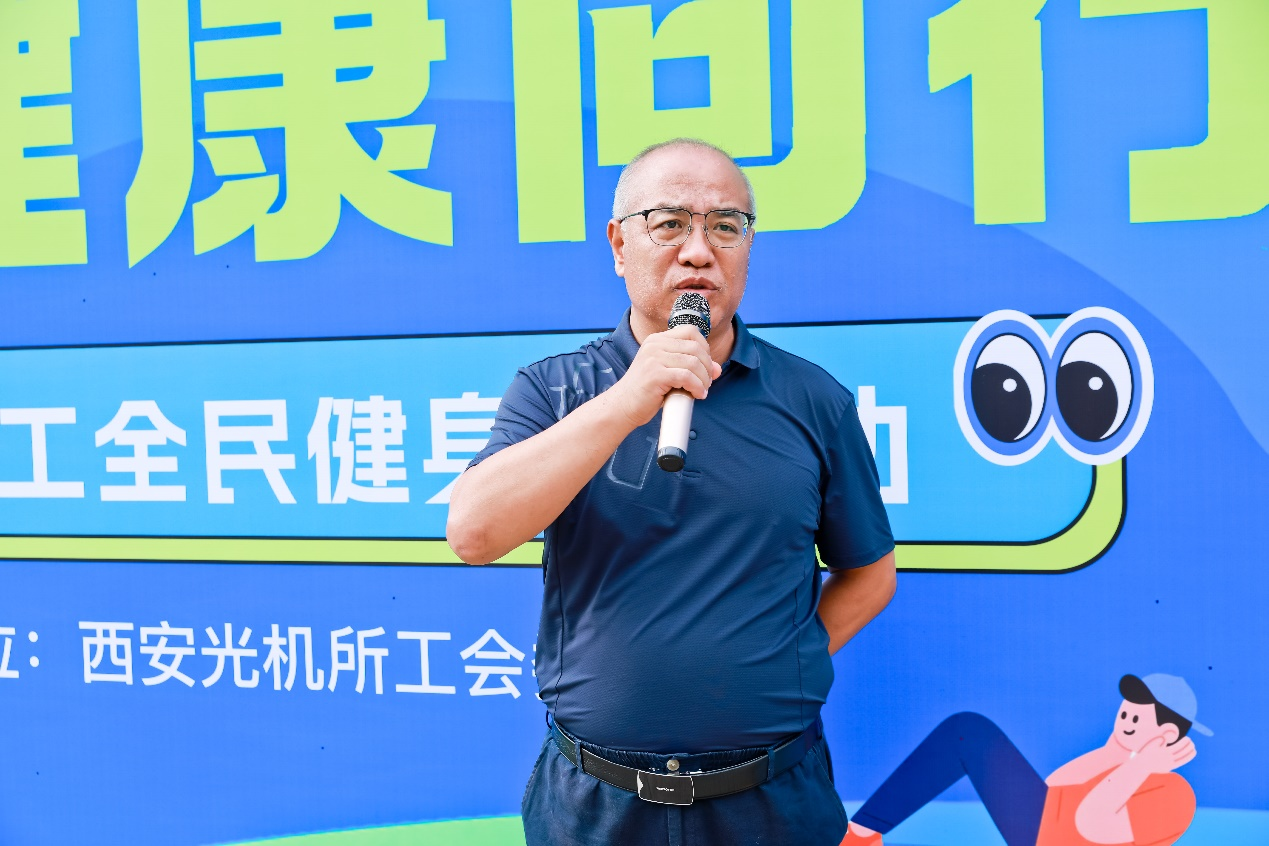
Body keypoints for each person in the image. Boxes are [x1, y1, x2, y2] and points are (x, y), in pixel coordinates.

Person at [446, 138, 897, 845]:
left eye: (726, 226)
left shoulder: (814, 401)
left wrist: (782, 658)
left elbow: (869, 573)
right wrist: (629, 399)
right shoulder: (554, 390)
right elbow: (474, 534)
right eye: (670, 224)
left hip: (771, 801)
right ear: (619, 244)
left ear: (748, 246)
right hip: (596, 805)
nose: (698, 252)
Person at [840, 673, 1206, 846]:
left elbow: (1091, 824)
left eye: (1136, 718)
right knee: (966, 732)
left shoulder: (1175, 794)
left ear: (1167, 734)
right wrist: (1113, 753)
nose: (1123, 723)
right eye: (1124, 713)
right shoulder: (1116, 762)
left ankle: (861, 834)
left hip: (1047, 837)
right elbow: (1054, 787)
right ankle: (860, 835)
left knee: (969, 732)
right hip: (1040, 823)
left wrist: (1139, 766)